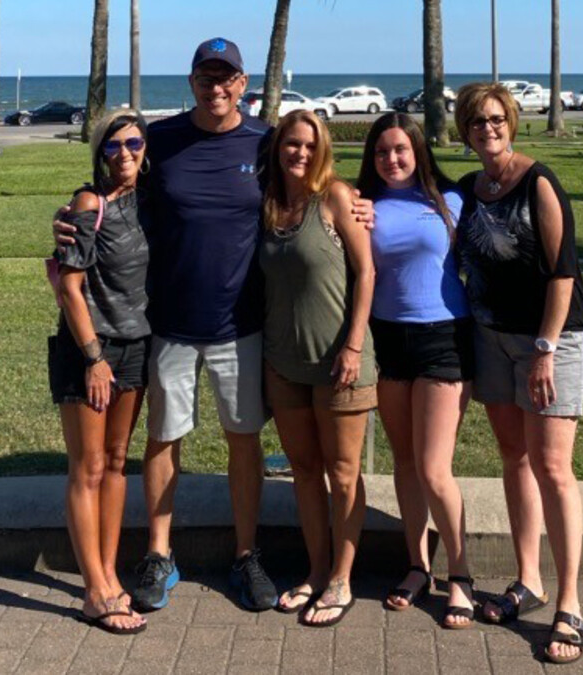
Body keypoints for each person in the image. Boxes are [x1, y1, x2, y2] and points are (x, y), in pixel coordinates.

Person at [52, 38, 375, 613]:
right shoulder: (164, 140)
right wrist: (70, 217)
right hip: (169, 322)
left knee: (242, 440)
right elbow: (113, 185)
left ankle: (246, 553)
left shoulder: (267, 140)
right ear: (193, 81)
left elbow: (312, 182)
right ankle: (159, 553)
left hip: (241, 323)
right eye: (207, 76)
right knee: (163, 440)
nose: (217, 86)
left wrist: (361, 206)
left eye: (227, 77)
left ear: (244, 83)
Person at [453, 82, 583, 664]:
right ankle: (528, 580)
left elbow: (562, 272)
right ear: (464, 131)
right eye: (476, 122)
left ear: (511, 121)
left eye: (495, 118)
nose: (487, 128)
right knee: (513, 459)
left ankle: (570, 602)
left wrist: (544, 348)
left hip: (549, 342)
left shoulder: (538, 181)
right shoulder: (469, 189)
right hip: (491, 339)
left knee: (554, 467)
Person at [355, 113, 476, 629]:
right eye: (382, 152)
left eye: (401, 150)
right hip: (389, 339)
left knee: (433, 467)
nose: (392, 160)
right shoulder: (364, 204)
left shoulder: (453, 201)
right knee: (404, 463)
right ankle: (417, 566)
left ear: (419, 151)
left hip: (444, 338)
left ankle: (461, 575)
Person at [261, 110, 376, 628]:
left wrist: (353, 346)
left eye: (309, 145)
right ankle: (316, 569)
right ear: (278, 147)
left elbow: (367, 271)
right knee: (305, 473)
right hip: (283, 364)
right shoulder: (268, 204)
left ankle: (341, 580)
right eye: (291, 143)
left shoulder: (335, 198)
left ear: (322, 149)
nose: (300, 153)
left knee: (344, 473)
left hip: (339, 365)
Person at [48, 110, 152, 635]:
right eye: (114, 146)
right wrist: (93, 359)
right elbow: (68, 285)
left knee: (116, 464)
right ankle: (94, 591)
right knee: (87, 468)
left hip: (136, 346)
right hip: (92, 350)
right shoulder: (91, 203)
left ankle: (109, 574)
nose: (126, 154)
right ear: (100, 153)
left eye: (134, 143)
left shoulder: (144, 201)